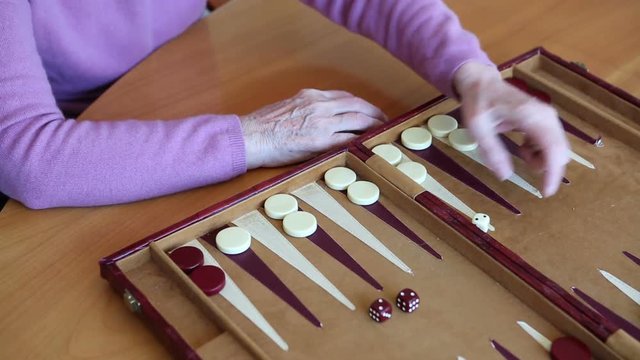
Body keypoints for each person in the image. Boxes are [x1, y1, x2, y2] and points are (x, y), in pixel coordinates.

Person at [0, 0, 569, 209]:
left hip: (185, 78)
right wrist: (255, 137)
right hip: (81, 144)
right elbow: (30, 160)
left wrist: (473, 74)